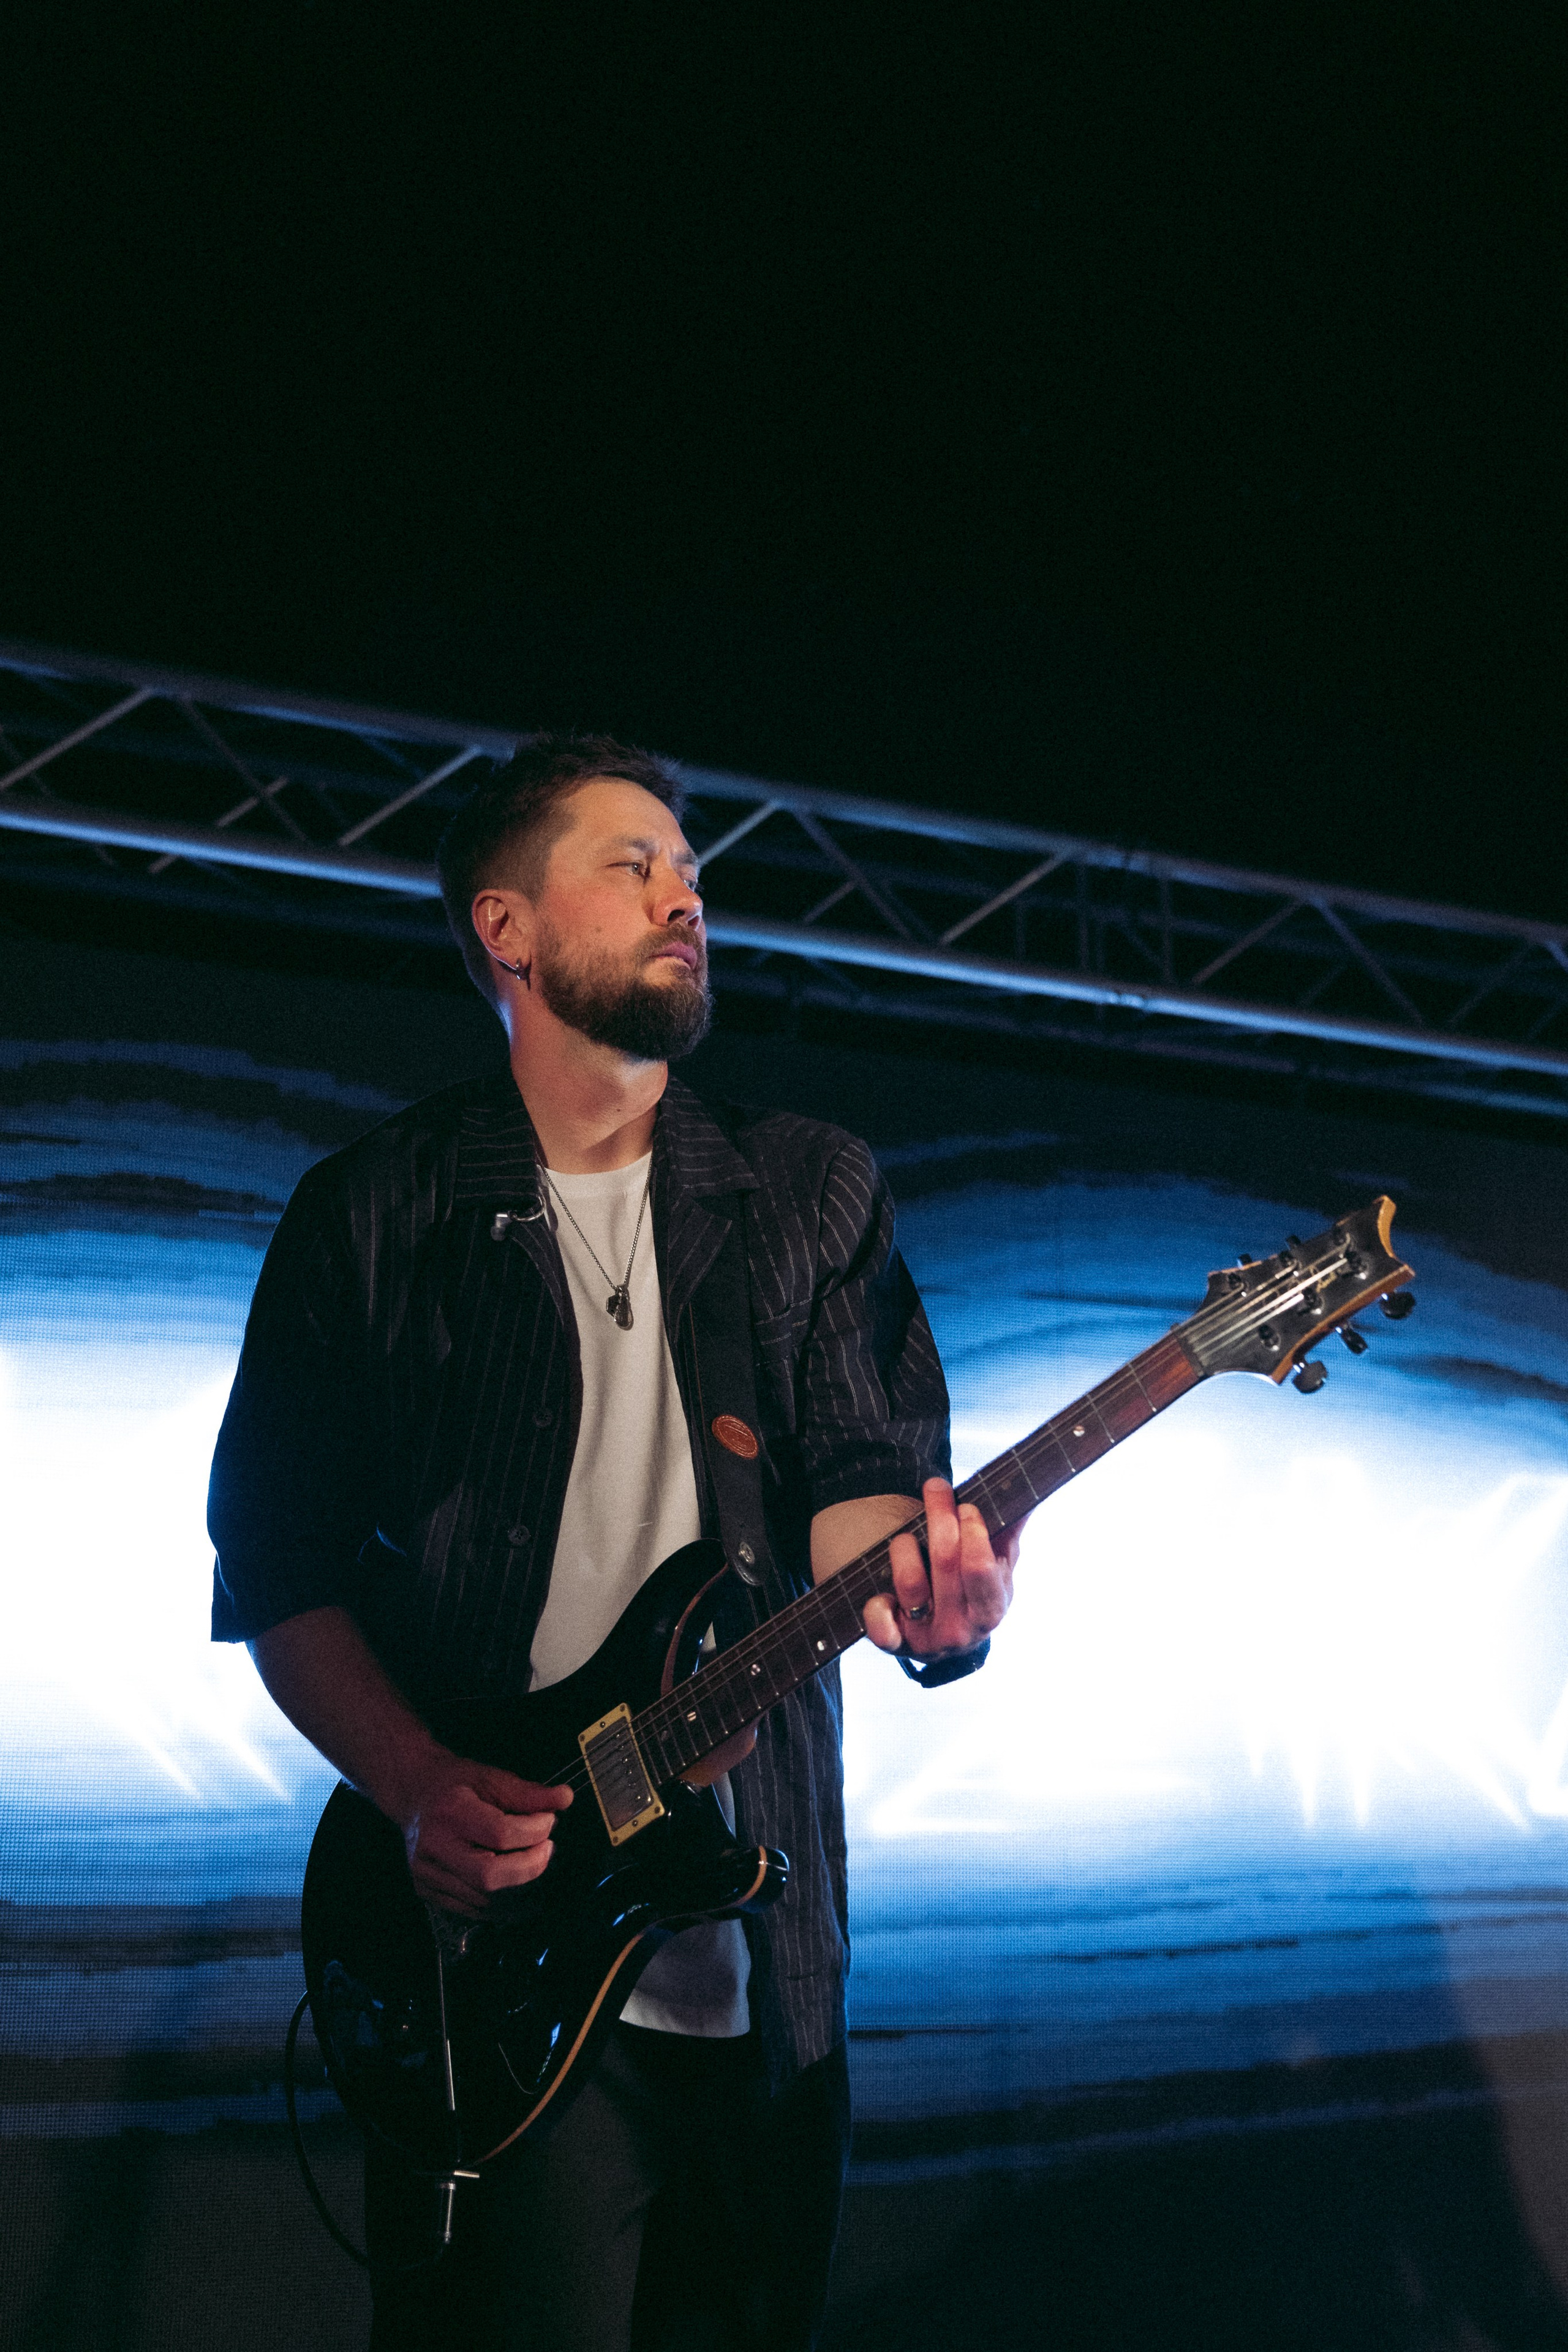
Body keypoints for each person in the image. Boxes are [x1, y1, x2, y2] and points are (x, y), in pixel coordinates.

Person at [209, 734, 1020, 2351]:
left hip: (761, 1974)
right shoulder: (375, 1215)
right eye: (629, 863)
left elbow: (859, 1485)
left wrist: (929, 1601)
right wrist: (418, 1785)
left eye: (689, 866)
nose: (685, 893)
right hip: (492, 1970)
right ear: (507, 930)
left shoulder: (803, 1191)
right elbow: (279, 1567)